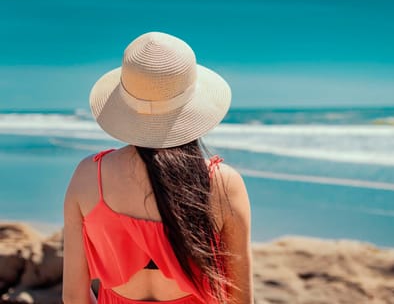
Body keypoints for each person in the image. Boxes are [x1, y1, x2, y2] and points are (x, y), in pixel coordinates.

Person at [62, 32, 253, 304]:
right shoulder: (222, 183)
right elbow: (241, 299)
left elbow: (73, 297)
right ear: (193, 105)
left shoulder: (88, 175)